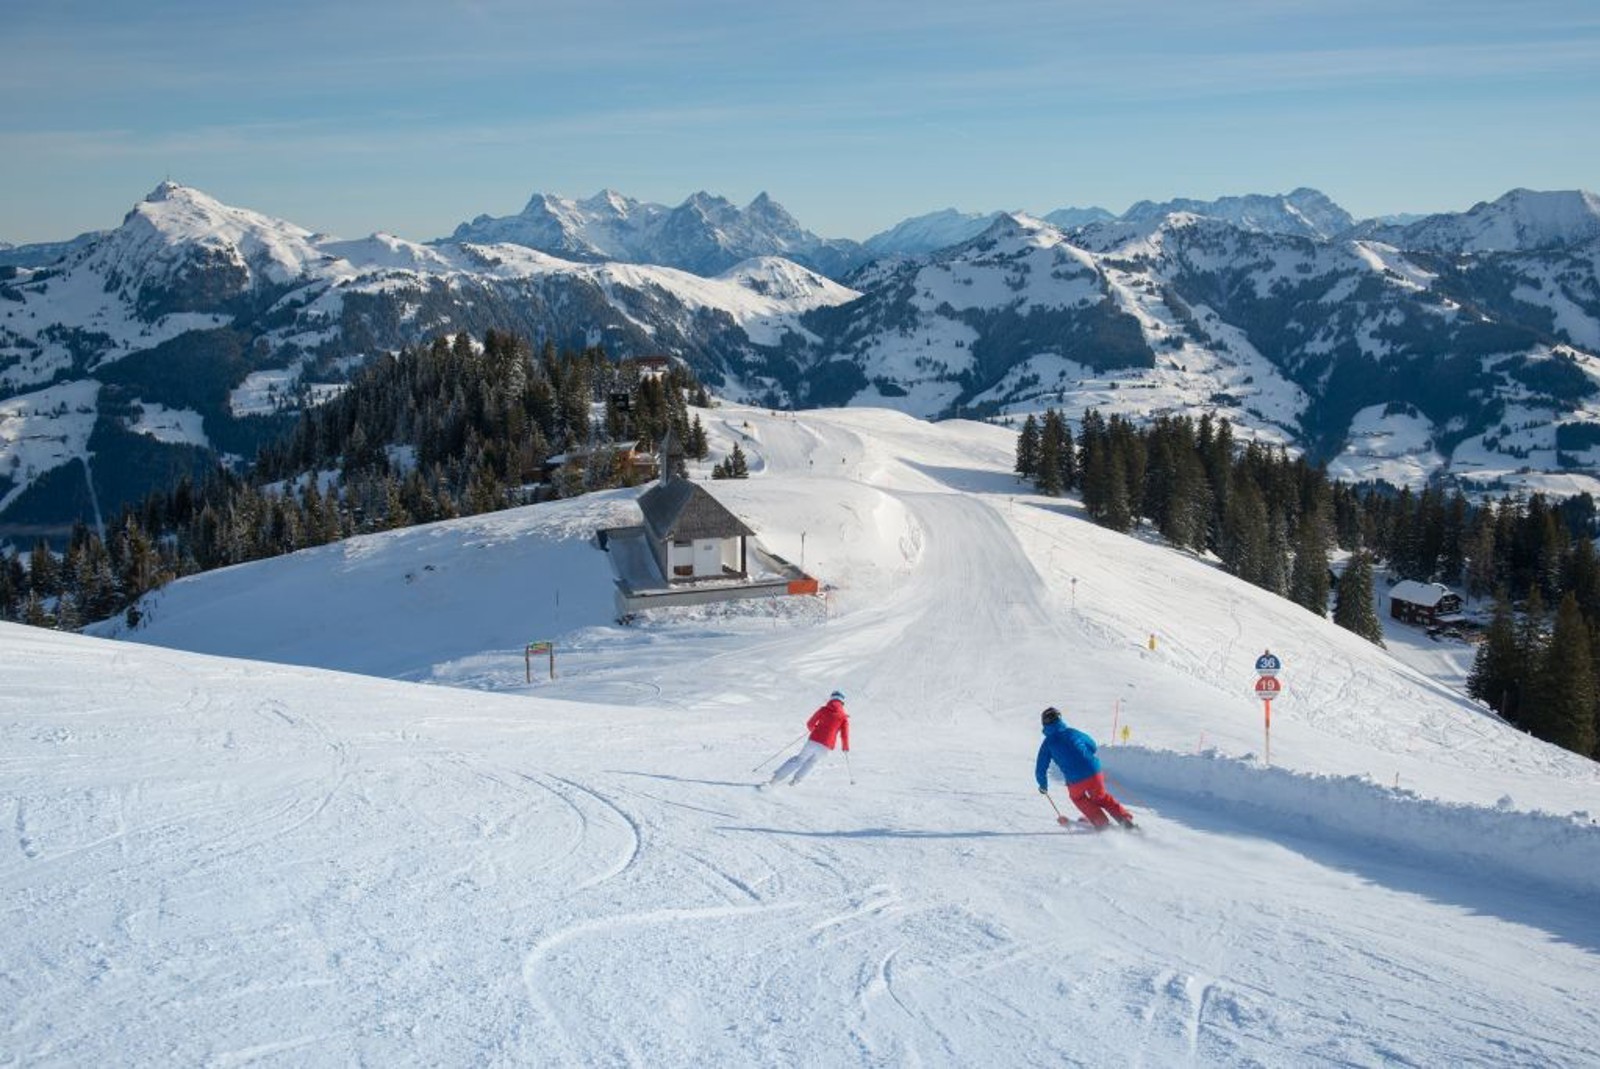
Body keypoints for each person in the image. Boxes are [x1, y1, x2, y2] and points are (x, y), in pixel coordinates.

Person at [1035, 706, 1135, 829]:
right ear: (1059, 719)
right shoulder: (1072, 732)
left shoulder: (1047, 744)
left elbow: (1040, 768)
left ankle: (1101, 823)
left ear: (1044, 724)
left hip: (1075, 780)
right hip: (1094, 772)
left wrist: (1043, 785)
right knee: (1101, 797)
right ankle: (1125, 820)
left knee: (1078, 798)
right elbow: (1092, 746)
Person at [768, 691, 850, 786]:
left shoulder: (823, 710)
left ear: (831, 699)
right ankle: (795, 781)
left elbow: (810, 723)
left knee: (799, 759)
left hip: (814, 740)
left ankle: (775, 779)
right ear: (842, 702)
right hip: (826, 746)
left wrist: (814, 729)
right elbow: (845, 735)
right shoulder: (843, 717)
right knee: (812, 762)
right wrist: (845, 747)